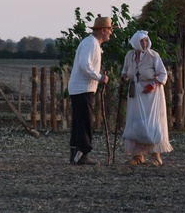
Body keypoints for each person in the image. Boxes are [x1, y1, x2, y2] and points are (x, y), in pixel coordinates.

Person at [120, 30, 172, 166]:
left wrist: (153, 85)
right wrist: (123, 77)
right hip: (135, 93)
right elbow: (125, 70)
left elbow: (163, 74)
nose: (144, 43)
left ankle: (156, 156)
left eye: (145, 41)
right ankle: (138, 156)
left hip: (150, 95)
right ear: (135, 42)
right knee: (135, 122)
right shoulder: (129, 56)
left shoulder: (153, 56)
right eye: (141, 41)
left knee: (151, 122)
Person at [68, 16, 112, 166]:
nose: (111, 33)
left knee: (79, 121)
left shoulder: (91, 43)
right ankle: (82, 153)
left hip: (81, 88)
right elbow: (84, 65)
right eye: (110, 30)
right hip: (83, 88)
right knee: (84, 121)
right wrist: (99, 77)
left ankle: (75, 153)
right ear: (103, 30)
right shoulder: (91, 43)